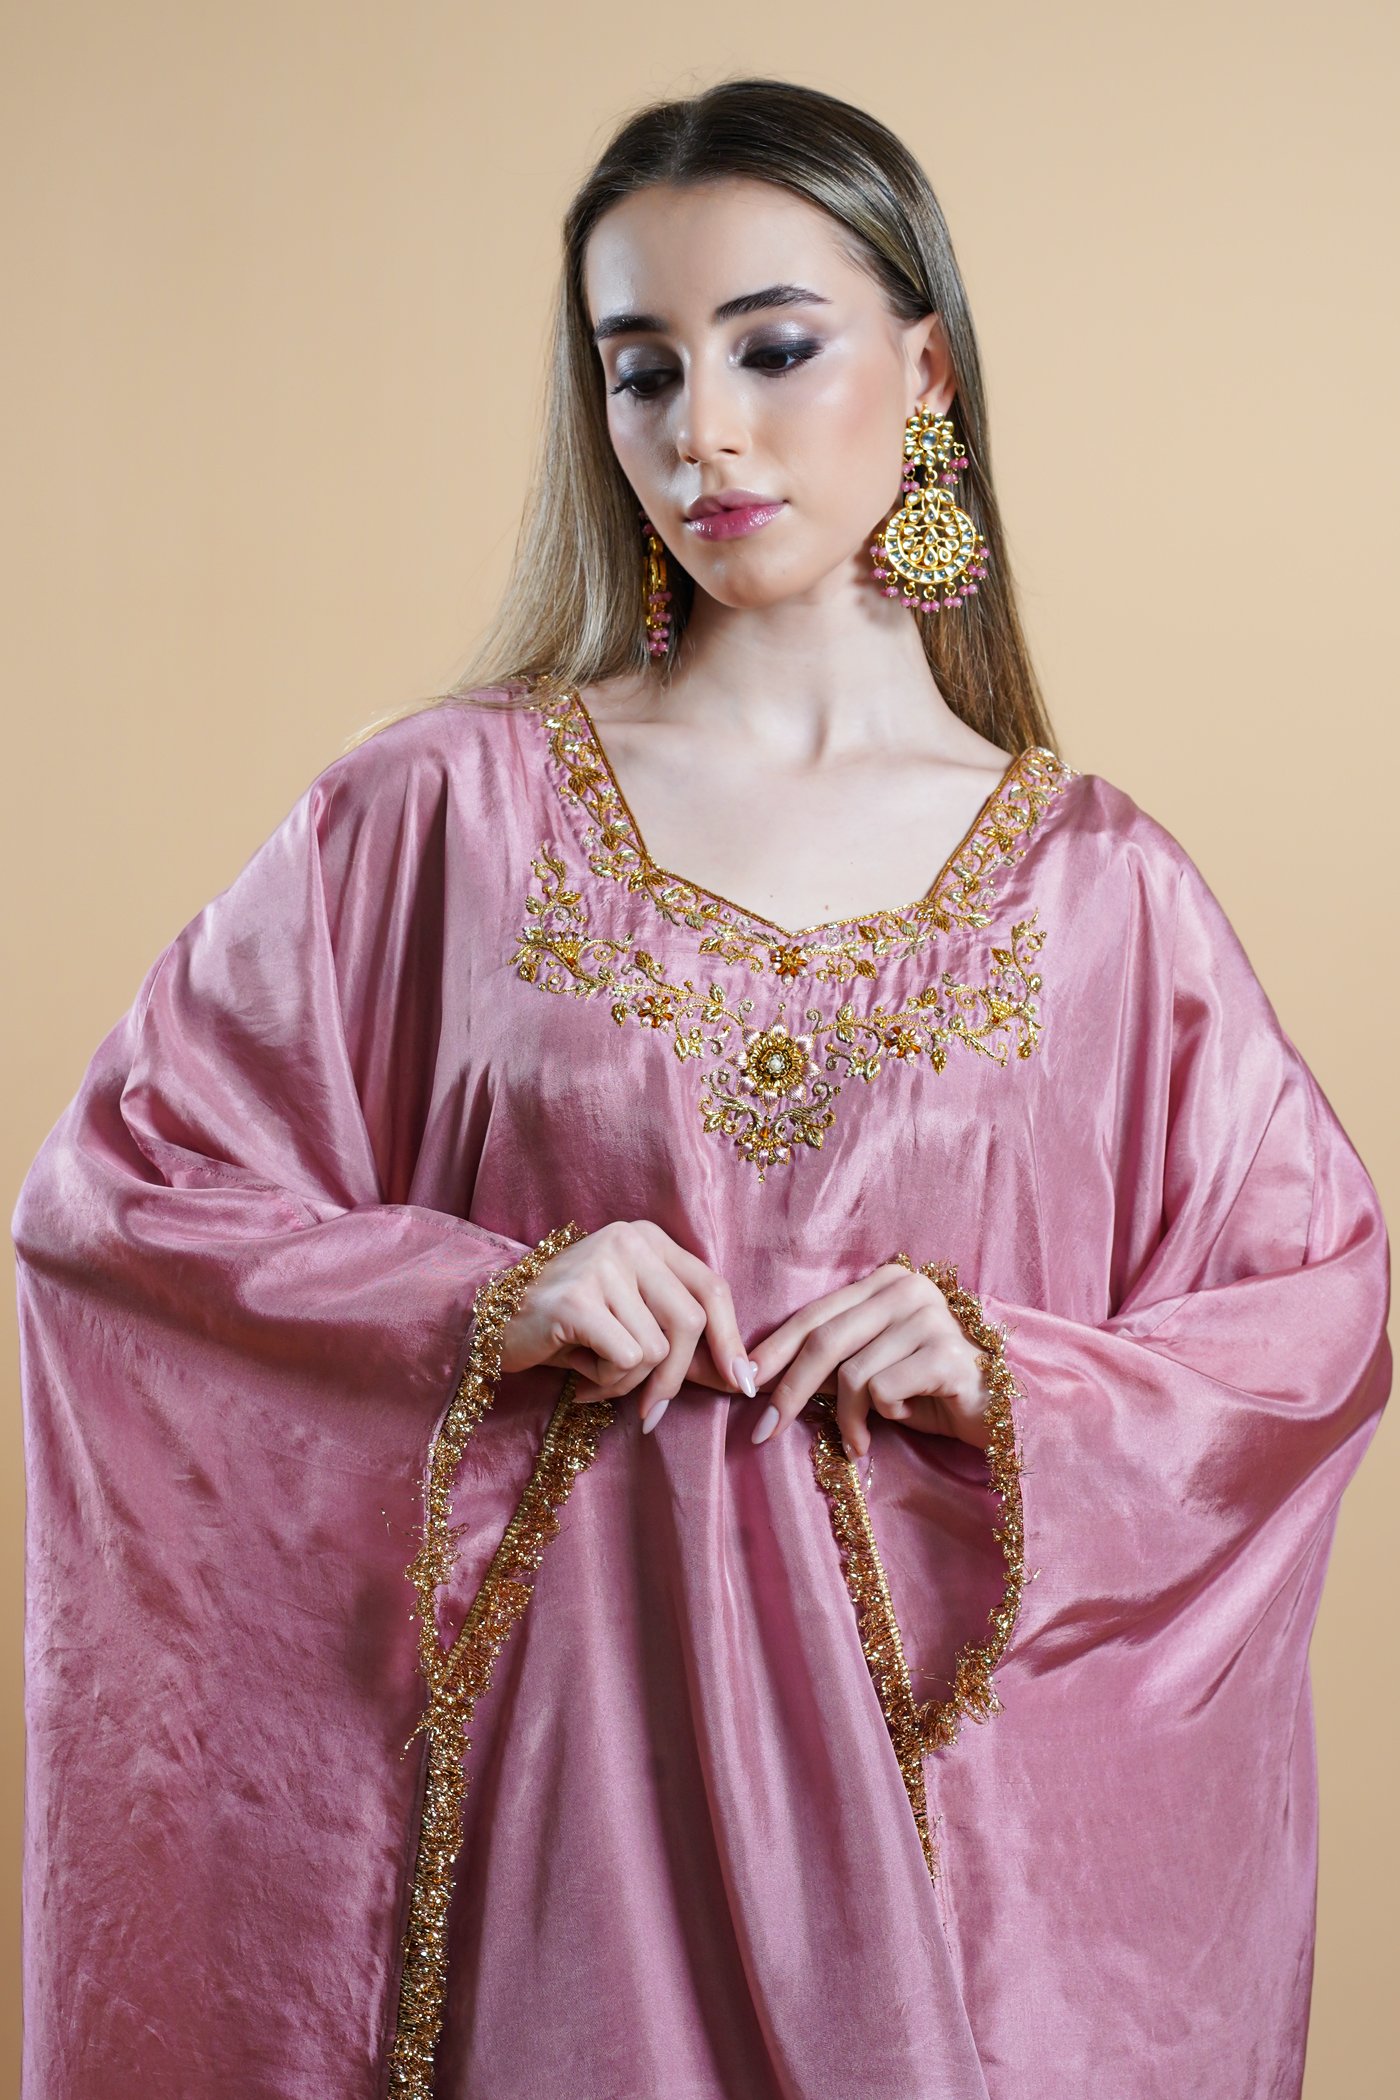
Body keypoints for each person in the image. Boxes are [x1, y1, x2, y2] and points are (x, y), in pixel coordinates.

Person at [12, 74, 1390, 2100]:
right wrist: (479, 1299)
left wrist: (1004, 1368)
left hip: (936, 1885)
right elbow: (121, 1208)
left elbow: (1309, 1319)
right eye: (641, 369)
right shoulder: (438, 819)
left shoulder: (1103, 896)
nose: (703, 433)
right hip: (557, 1837)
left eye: (773, 348)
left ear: (926, 370)